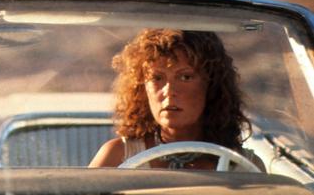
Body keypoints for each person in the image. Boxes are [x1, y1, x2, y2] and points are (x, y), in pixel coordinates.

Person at [88, 29, 265, 171]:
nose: (169, 91)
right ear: (142, 88)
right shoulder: (117, 157)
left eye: (185, 77)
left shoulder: (245, 166)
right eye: (157, 78)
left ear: (212, 87)